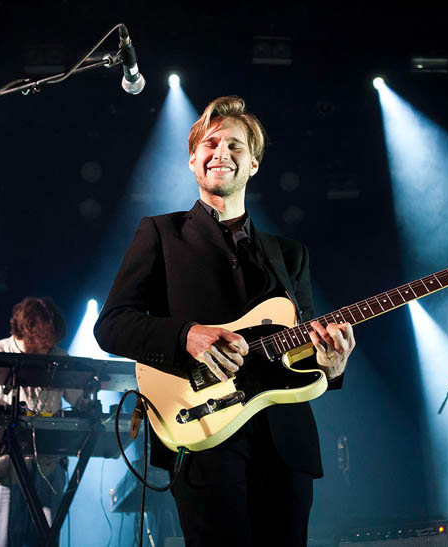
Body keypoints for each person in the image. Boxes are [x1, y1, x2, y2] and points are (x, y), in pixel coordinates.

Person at [93, 96, 355, 546]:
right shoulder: (160, 233)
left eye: (235, 145)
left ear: (253, 164)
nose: (221, 153)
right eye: (211, 143)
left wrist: (333, 366)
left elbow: (308, 345)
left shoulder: (290, 254)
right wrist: (185, 335)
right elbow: (112, 325)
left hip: (285, 441)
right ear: (193, 160)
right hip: (203, 431)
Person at [0, 296, 82, 547]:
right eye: (36, 343)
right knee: (1, 540)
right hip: (3, 465)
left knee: (46, 539)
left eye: (48, 344)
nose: (43, 349)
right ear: (21, 332)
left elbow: (81, 401)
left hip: (47, 465)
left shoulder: (58, 356)